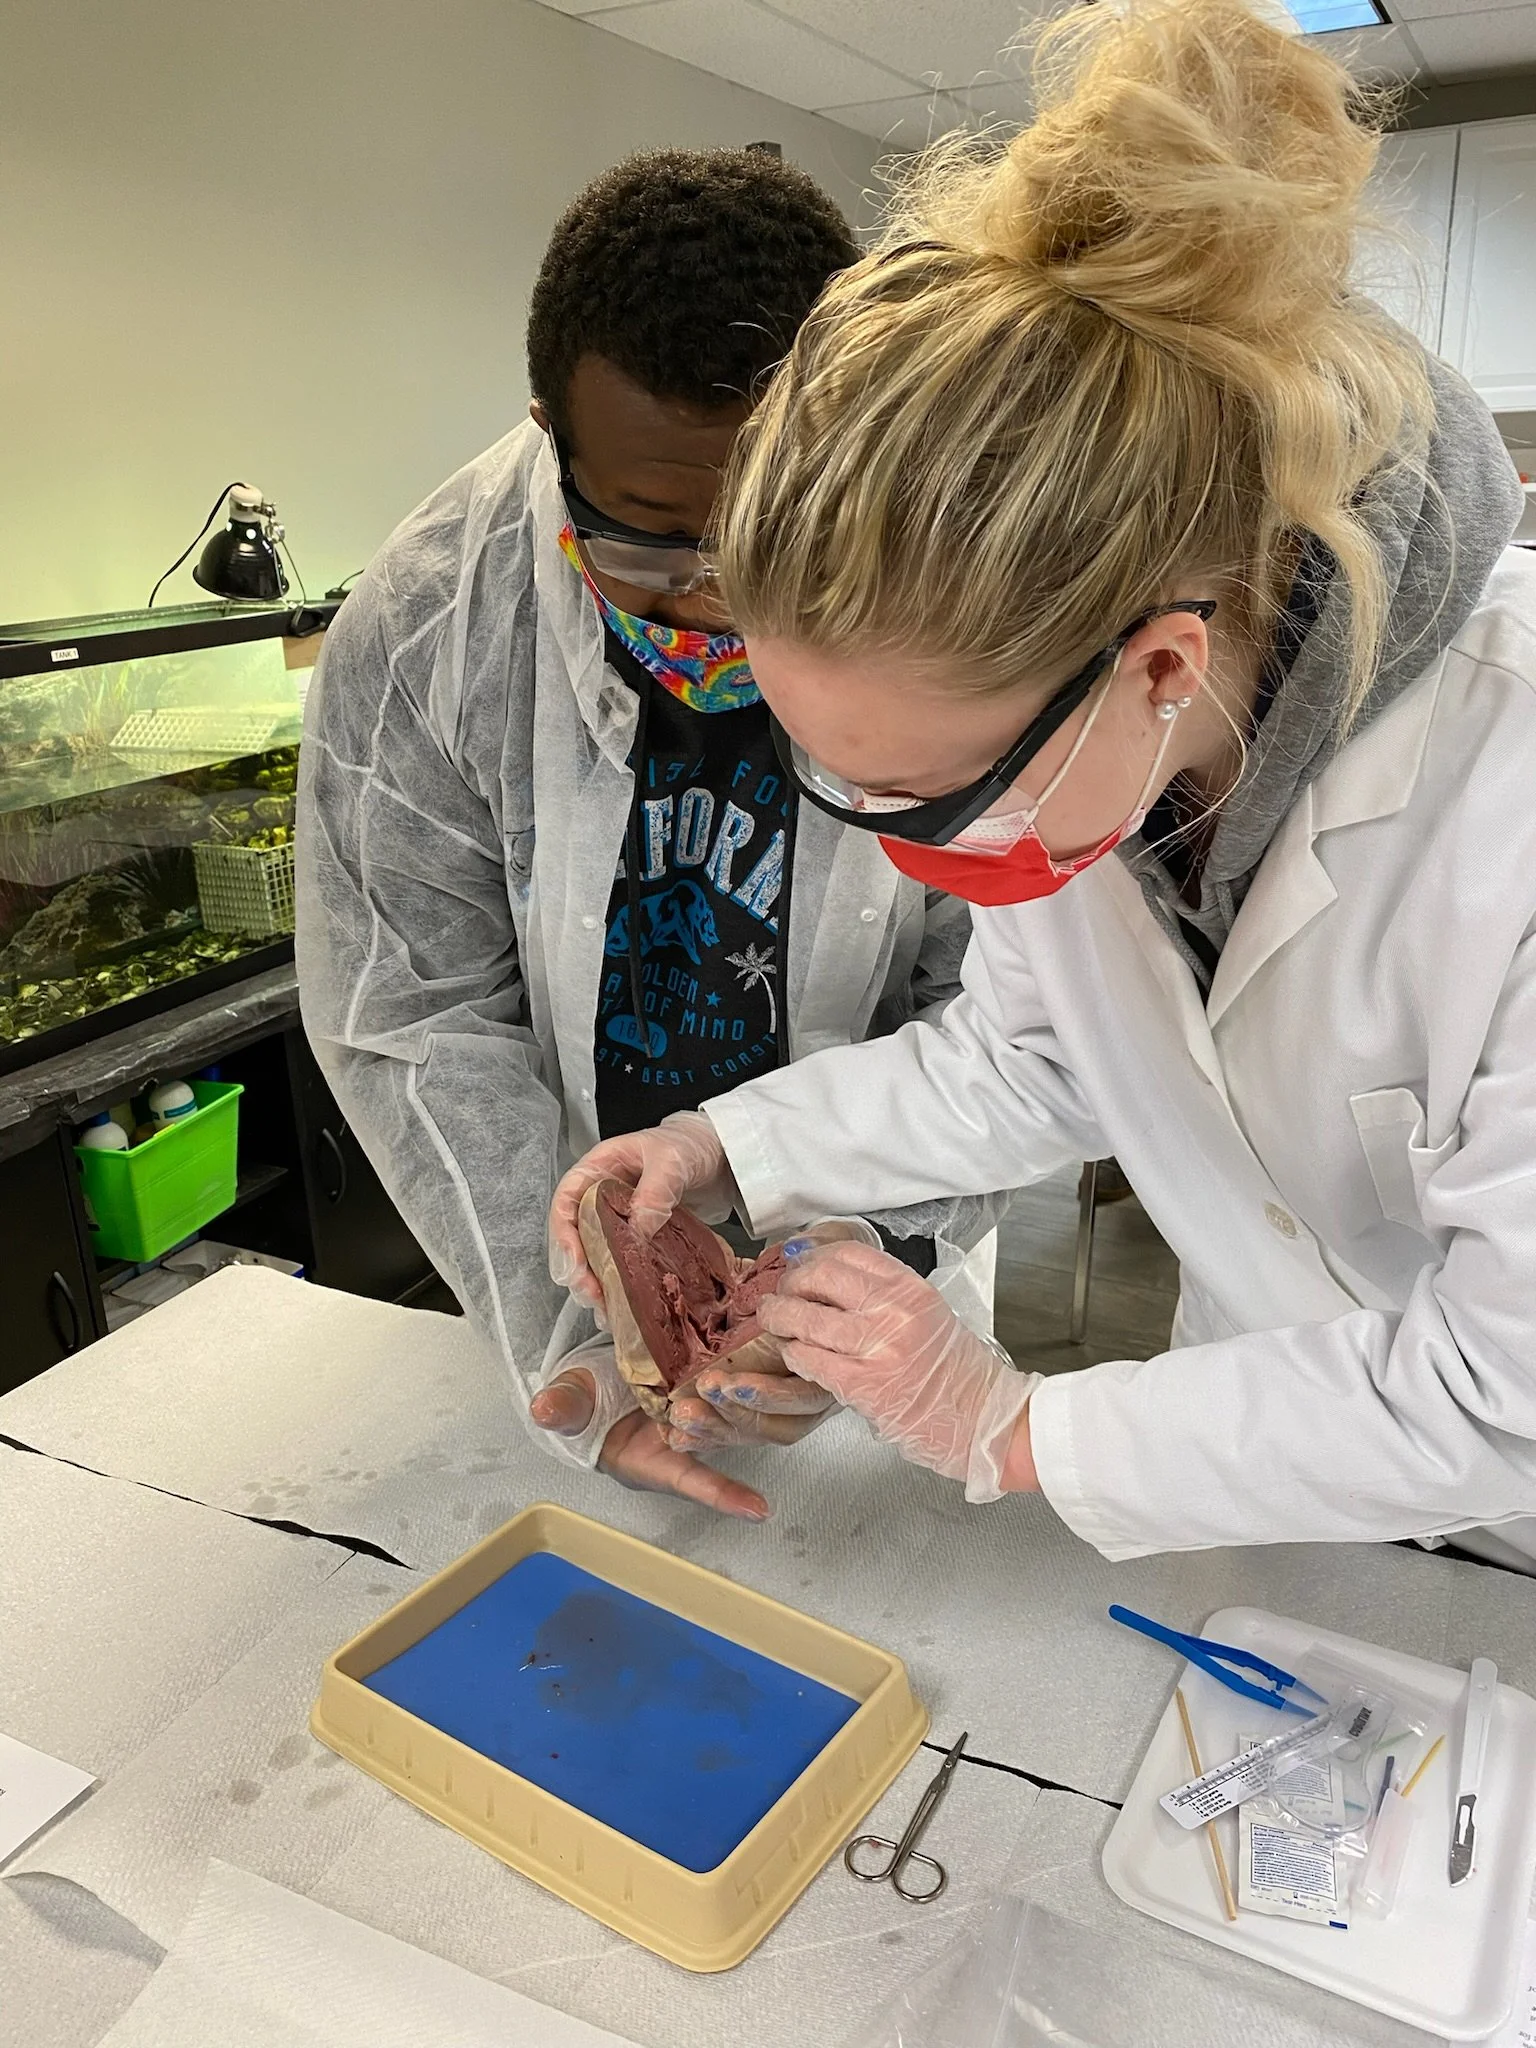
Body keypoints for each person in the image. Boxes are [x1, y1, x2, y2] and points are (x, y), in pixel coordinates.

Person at [550, 0, 1536, 1568]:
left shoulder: (1510, 778)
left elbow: (1509, 1386)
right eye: (851, 788)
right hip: (1268, 1474)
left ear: (1157, 667)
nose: (918, 860)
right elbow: (1034, 1061)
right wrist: (724, 1146)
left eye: (938, 800)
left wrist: (1016, 1427)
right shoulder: (1097, 759)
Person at [297, 148, 1006, 1523]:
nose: (709, 604)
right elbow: (413, 1013)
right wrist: (577, 1330)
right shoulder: (432, 625)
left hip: (887, 1257)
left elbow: (1005, 1011)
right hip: (569, 1272)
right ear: (550, 439)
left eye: (764, 536)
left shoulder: (945, 582)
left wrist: (869, 1257)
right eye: (646, 544)